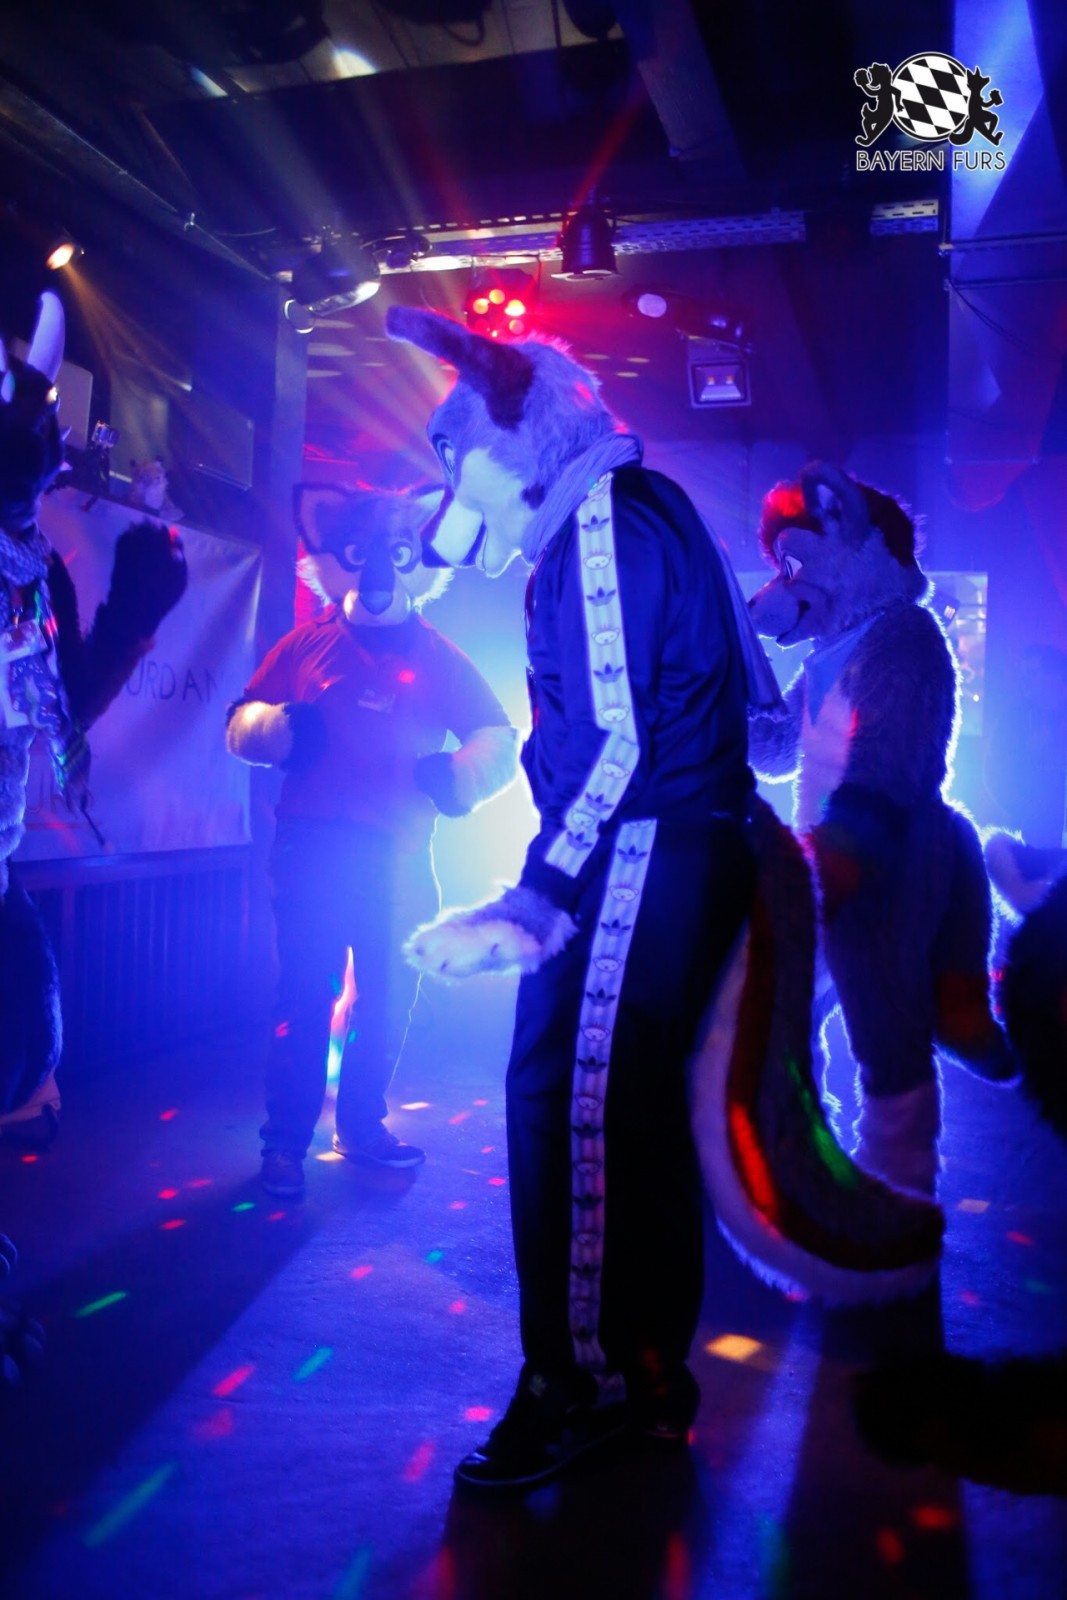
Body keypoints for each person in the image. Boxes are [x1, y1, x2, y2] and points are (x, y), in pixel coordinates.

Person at [386, 305, 770, 1490]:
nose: (451, 497)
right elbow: (748, 707)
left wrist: (532, 898)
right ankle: (642, 1379)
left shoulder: (601, 519)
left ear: (508, 442)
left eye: (455, 461)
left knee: (571, 1109)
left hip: (634, 856)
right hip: (672, 848)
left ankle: (579, 1385)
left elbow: (613, 744)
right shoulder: (639, 511)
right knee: (631, 1120)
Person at [226, 481, 517, 1201]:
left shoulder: (436, 653)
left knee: (387, 1000)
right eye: (363, 551)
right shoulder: (309, 641)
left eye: (396, 551)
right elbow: (241, 720)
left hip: (399, 855)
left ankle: (360, 1125)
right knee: (304, 994)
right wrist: (277, 730)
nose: (381, 569)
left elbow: (497, 734)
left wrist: (459, 776)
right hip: (312, 851)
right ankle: (283, 1143)